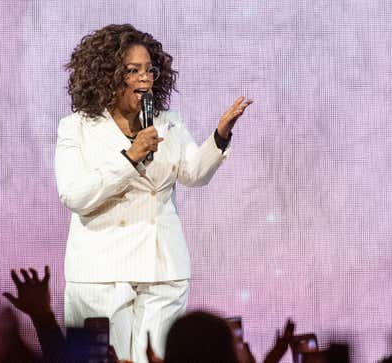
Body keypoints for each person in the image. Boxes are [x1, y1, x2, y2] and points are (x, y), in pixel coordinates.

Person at [55, 23, 252, 363]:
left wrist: (219, 136)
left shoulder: (167, 121)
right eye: (132, 71)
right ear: (106, 76)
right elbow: (76, 196)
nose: (145, 78)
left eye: (149, 69)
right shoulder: (78, 128)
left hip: (162, 269)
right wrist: (130, 158)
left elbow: (193, 173)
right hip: (101, 272)